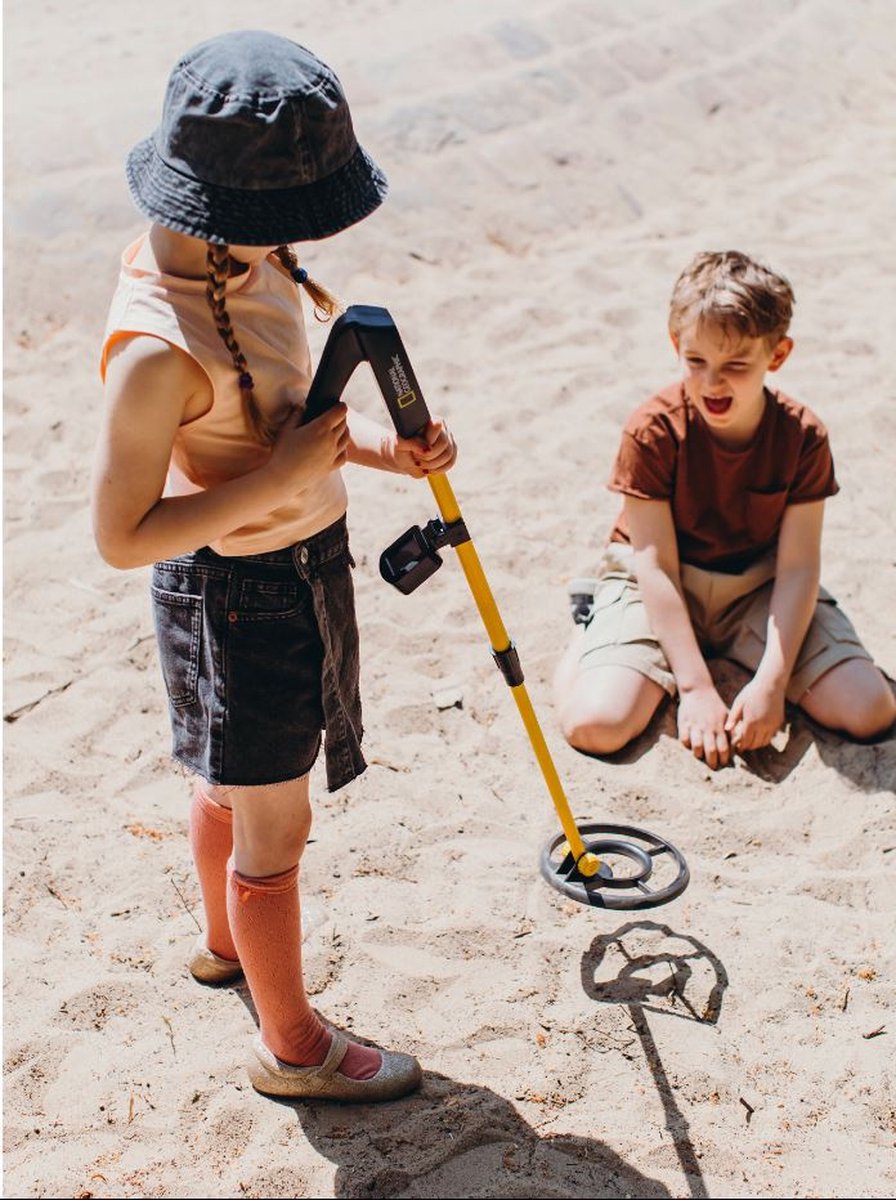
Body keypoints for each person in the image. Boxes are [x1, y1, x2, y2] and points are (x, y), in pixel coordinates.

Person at [91, 30, 457, 1102]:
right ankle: (291, 1046)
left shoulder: (250, 260)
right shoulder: (158, 344)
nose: (302, 234)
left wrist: (385, 453)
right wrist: (285, 472)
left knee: (228, 779)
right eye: (289, 215)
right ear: (234, 213)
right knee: (275, 820)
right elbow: (122, 535)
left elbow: (287, 425)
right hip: (240, 594)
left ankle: (221, 944)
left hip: (289, 568)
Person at [554, 250, 894, 769]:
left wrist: (772, 684)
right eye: (696, 362)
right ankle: (589, 624)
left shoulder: (803, 436)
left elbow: (799, 566)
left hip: (758, 587)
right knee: (595, 726)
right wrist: (694, 688)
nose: (713, 383)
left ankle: (730, 653)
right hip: (657, 584)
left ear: (776, 356)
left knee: (871, 711)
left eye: (735, 365)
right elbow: (655, 564)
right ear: (676, 346)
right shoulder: (652, 430)